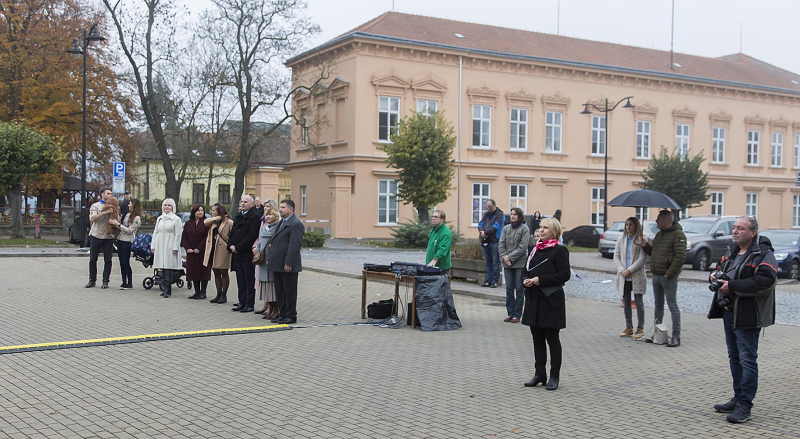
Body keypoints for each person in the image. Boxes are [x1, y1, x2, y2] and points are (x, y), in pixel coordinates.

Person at [708, 216, 777, 424]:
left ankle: (745, 405)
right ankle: (737, 398)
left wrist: (733, 286)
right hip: (729, 311)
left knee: (747, 360)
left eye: (741, 228)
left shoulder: (762, 253)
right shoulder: (733, 251)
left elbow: (767, 280)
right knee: (734, 358)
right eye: (734, 228)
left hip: (748, 314)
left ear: (752, 232)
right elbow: (723, 271)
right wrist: (714, 276)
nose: (735, 231)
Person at [522, 217, 570, 391]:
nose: (541, 230)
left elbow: (564, 275)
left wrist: (540, 280)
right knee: (537, 338)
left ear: (554, 231)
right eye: (540, 227)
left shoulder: (559, 251)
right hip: (534, 299)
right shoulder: (534, 250)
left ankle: (554, 375)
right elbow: (525, 270)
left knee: (552, 339)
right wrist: (526, 280)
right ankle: (539, 373)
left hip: (551, 301)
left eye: (545, 228)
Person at [636, 209, 686, 347]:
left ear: (666, 220)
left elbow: (680, 257)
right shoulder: (659, 235)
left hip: (668, 276)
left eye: (659, 218)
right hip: (657, 274)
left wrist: (669, 273)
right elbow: (654, 253)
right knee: (658, 306)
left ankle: (676, 336)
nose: (656, 220)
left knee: (672, 305)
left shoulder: (678, 235)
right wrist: (645, 245)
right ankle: (658, 333)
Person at [268, 199, 305, 324]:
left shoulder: (295, 224)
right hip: (277, 263)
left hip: (287, 264)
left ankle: (291, 315)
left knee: (289, 291)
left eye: (283, 207)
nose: (280, 209)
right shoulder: (281, 222)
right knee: (280, 291)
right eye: (280, 207)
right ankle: (282, 314)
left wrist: (289, 262)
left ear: (291, 209)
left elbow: (294, 245)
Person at [614, 217, 647, 339]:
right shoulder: (621, 240)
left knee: (639, 302)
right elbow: (616, 256)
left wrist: (630, 270)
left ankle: (640, 327)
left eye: (631, 225)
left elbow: (642, 258)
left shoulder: (641, 240)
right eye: (627, 225)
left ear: (636, 226)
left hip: (636, 274)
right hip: (624, 275)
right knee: (626, 302)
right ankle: (629, 326)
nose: (628, 227)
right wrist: (622, 270)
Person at [228, 195, 261, 312]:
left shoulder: (255, 217)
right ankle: (241, 301)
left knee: (249, 279)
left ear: (251, 204)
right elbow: (232, 233)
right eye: (241, 201)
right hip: (236, 253)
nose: (242, 204)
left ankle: (249, 303)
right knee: (240, 279)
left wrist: (238, 247)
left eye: (245, 202)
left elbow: (251, 236)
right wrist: (231, 245)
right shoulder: (238, 216)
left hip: (246, 253)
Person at [499, 207, 530, 323]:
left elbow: (522, 247)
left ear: (519, 216)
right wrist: (505, 258)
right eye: (511, 214)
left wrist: (510, 257)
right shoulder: (506, 228)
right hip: (507, 263)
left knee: (519, 289)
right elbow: (501, 244)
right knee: (509, 289)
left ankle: (517, 314)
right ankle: (510, 313)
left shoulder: (524, 229)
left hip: (519, 263)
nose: (512, 216)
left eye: (515, 214)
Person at [151, 198, 183, 298]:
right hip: (160, 244)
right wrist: (153, 245)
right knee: (162, 267)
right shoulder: (160, 218)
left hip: (170, 244)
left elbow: (178, 234)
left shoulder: (176, 219)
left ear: (173, 207)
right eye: (165, 205)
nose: (167, 207)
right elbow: (156, 232)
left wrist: (175, 247)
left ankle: (167, 289)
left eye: (169, 205)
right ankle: (166, 288)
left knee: (169, 267)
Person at [204, 203, 234, 304]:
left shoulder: (229, 222)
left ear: (219, 211)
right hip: (213, 248)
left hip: (223, 250)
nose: (212, 212)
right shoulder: (213, 222)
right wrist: (216, 218)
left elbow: (232, 236)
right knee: (216, 271)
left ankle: (224, 295)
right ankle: (218, 293)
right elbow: (205, 222)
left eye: (214, 210)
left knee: (223, 272)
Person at [86, 188, 115, 289]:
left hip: (108, 236)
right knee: (93, 259)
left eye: (111, 193)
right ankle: (92, 280)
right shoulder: (95, 206)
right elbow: (92, 218)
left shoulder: (114, 206)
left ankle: (106, 280)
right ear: (102, 194)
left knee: (108, 260)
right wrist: (105, 212)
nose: (110, 195)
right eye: (108, 193)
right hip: (96, 235)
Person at [110, 198, 141, 290]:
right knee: (121, 262)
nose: (128, 205)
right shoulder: (127, 215)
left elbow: (130, 230)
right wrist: (115, 224)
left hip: (127, 241)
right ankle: (124, 282)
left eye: (130, 203)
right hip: (120, 240)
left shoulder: (137, 218)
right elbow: (122, 227)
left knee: (125, 262)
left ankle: (130, 283)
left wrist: (118, 225)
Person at [255, 207, 281, 319]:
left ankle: (276, 310)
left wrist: (270, 257)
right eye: (267, 215)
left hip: (271, 260)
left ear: (275, 216)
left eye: (270, 215)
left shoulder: (278, 227)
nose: (268, 217)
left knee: (272, 287)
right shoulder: (264, 227)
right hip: (263, 261)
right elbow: (260, 242)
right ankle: (270, 309)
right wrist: (257, 251)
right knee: (265, 287)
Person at [182, 204, 211, 300]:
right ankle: (196, 291)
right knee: (193, 271)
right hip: (191, 252)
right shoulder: (188, 223)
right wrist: (188, 248)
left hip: (202, 252)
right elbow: (184, 237)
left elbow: (207, 237)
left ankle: (203, 292)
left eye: (202, 210)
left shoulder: (206, 223)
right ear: (194, 212)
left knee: (203, 271)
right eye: (198, 210)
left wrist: (199, 248)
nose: (200, 212)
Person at [477, 199, 505, 288]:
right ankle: (488, 280)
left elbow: (496, 226)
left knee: (495, 262)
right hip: (486, 241)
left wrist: (486, 233)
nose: (489, 208)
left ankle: (494, 281)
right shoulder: (486, 214)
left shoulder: (500, 215)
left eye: (490, 207)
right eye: (487, 207)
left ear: (494, 205)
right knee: (488, 262)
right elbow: (480, 224)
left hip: (495, 240)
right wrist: (482, 231)